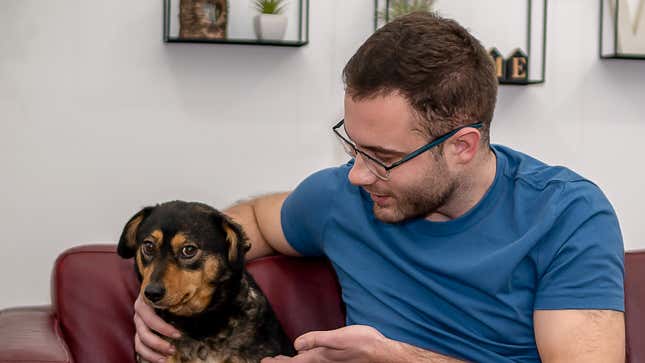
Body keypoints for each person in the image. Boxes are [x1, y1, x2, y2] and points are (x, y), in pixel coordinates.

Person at [132, 12, 625, 363]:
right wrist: (169, 281)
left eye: (384, 159)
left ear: (463, 146)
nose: (358, 174)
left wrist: (392, 358)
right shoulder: (340, 200)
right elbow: (253, 222)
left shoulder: (567, 216)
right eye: (353, 145)